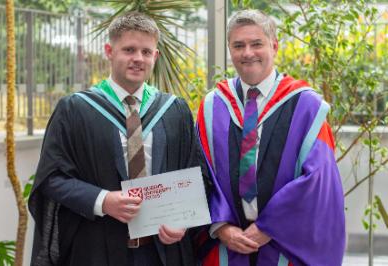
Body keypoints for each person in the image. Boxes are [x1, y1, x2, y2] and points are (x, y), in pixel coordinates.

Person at [29, 12, 198, 266]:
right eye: (129, 50)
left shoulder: (175, 110)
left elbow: (195, 174)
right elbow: (51, 178)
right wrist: (102, 201)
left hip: (162, 253)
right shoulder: (75, 109)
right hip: (97, 250)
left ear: (156, 56)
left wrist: (183, 220)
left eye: (146, 51)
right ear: (109, 51)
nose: (138, 59)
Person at [196, 9, 345, 266]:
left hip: (284, 244)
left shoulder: (306, 106)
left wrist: (269, 226)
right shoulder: (212, 106)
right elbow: (200, 173)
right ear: (230, 50)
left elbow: (317, 180)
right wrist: (220, 226)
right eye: (238, 45)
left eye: (257, 44)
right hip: (226, 246)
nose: (247, 53)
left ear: (274, 46)